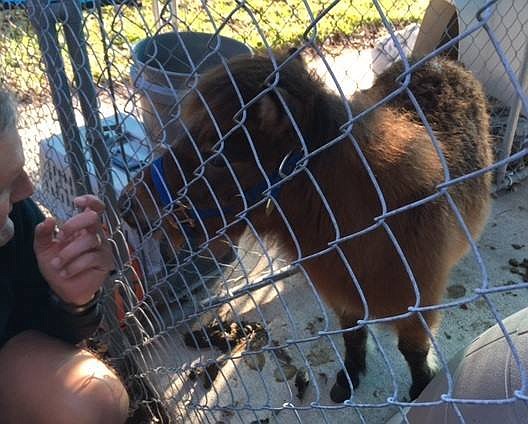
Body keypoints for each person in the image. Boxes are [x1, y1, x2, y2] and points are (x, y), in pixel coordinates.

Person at [0, 90, 129, 423]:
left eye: (18, 173)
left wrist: (72, 299)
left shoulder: (18, 217)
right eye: (2, 186)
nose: (27, 190)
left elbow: (32, 326)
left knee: (95, 401)